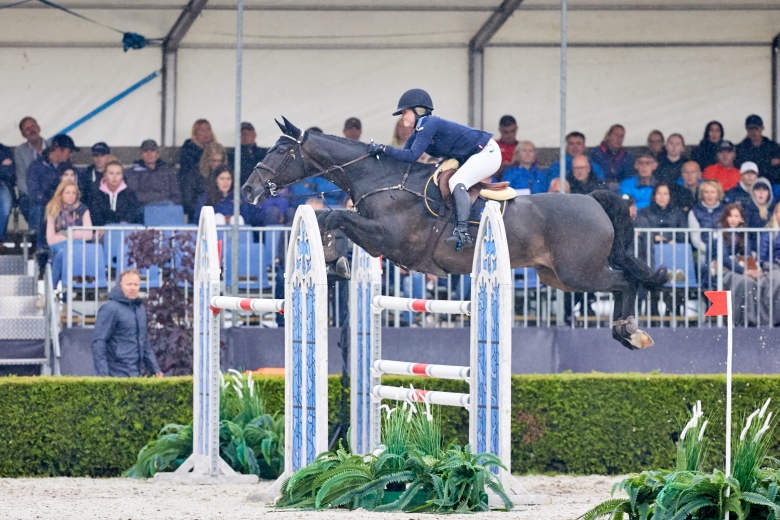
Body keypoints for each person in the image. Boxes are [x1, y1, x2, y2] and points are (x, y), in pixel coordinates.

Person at [369, 89, 501, 247]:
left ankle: (463, 232)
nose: (403, 116)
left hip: (488, 152)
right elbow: (404, 158)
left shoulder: (429, 124)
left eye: (405, 112)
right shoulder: (418, 130)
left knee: (457, 182)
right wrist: (380, 155)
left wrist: (384, 148)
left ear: (418, 110)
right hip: (475, 154)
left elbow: (412, 155)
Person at [92, 269, 163, 378]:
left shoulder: (140, 308)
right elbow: (98, 343)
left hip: (136, 373)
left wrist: (155, 369)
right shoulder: (110, 308)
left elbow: (144, 341)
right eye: (129, 284)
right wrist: (104, 376)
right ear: (120, 285)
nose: (133, 288)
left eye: (136, 284)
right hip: (116, 374)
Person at [27, 134, 78, 254]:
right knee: (43, 209)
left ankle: (69, 247)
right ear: (59, 150)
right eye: (69, 151)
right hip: (41, 209)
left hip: (62, 208)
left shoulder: (67, 167)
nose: (71, 155)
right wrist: (55, 202)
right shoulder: (36, 166)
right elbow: (35, 195)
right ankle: (43, 248)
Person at [718, 204, 761, 326]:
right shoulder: (720, 233)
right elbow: (724, 259)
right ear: (725, 217)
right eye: (730, 215)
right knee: (745, 282)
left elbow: (747, 255)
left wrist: (753, 270)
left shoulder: (743, 234)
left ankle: (750, 318)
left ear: (741, 219)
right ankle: (740, 319)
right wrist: (742, 271)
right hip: (724, 270)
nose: (732, 219)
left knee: (753, 281)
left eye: (736, 216)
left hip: (740, 269)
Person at [194, 165, 271, 225]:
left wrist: (240, 205)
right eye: (222, 179)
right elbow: (198, 220)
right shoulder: (205, 198)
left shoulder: (241, 196)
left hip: (238, 235)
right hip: (213, 236)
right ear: (215, 180)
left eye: (228, 179)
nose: (225, 182)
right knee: (218, 218)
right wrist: (224, 218)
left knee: (237, 219)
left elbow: (249, 219)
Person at [689, 180, 726, 287]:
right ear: (702, 194)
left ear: (718, 194)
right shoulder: (694, 212)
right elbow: (695, 239)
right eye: (706, 192)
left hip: (724, 252)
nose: (709, 195)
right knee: (702, 263)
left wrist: (721, 252)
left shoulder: (726, 210)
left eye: (712, 192)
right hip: (702, 251)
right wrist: (711, 250)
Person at [124, 140, 182, 207]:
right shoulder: (133, 172)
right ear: (141, 155)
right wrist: (161, 197)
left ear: (157, 154)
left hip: (166, 207)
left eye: (152, 150)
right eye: (145, 151)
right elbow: (134, 196)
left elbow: (177, 196)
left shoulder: (168, 171)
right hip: (143, 209)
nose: (149, 153)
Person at [44, 180, 92, 258]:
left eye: (74, 193)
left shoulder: (83, 209)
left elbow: (89, 235)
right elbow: (50, 239)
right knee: (64, 252)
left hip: (78, 246)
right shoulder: (52, 209)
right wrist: (77, 235)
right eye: (67, 192)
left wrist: (64, 233)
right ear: (61, 194)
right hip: (59, 247)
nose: (71, 195)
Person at [179, 119, 215, 220]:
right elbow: (188, 173)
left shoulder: (215, 148)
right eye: (201, 130)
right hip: (195, 188)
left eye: (208, 129)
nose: (206, 133)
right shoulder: (188, 148)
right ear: (195, 133)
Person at [90, 160, 141, 226]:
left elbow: (132, 214)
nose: (115, 176)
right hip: (102, 232)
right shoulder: (96, 194)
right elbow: (95, 215)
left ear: (122, 176)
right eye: (111, 173)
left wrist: (121, 225)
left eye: (118, 173)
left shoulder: (129, 194)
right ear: (105, 175)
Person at [13, 117, 48, 210]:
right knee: (35, 206)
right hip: (30, 193)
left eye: (33, 126)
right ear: (23, 134)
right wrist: (37, 195)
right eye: (27, 129)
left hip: (52, 192)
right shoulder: (19, 151)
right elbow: (21, 179)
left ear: (39, 128)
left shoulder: (53, 146)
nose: (32, 130)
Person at [735, 114, 780, 184]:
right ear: (746, 130)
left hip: (771, 184)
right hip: (748, 185)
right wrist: (768, 163)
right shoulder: (740, 148)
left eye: (756, 128)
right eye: (750, 128)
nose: (753, 132)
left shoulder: (773, 147)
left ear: (762, 128)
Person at [226, 122, 268, 187]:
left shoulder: (264, 153)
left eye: (248, 133)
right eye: (243, 134)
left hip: (261, 188)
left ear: (254, 134)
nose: (246, 137)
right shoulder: (232, 154)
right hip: (240, 188)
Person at [495, 115, 518, 180]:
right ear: (500, 130)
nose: (510, 135)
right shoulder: (493, 146)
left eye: (512, 131)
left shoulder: (523, 148)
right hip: (497, 182)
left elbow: (534, 168)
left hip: (518, 181)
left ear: (516, 128)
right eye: (506, 132)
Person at [0, 143, 15, 242]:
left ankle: (0, 238)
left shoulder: (3, 150)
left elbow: (10, 171)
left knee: (6, 202)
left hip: (2, 184)